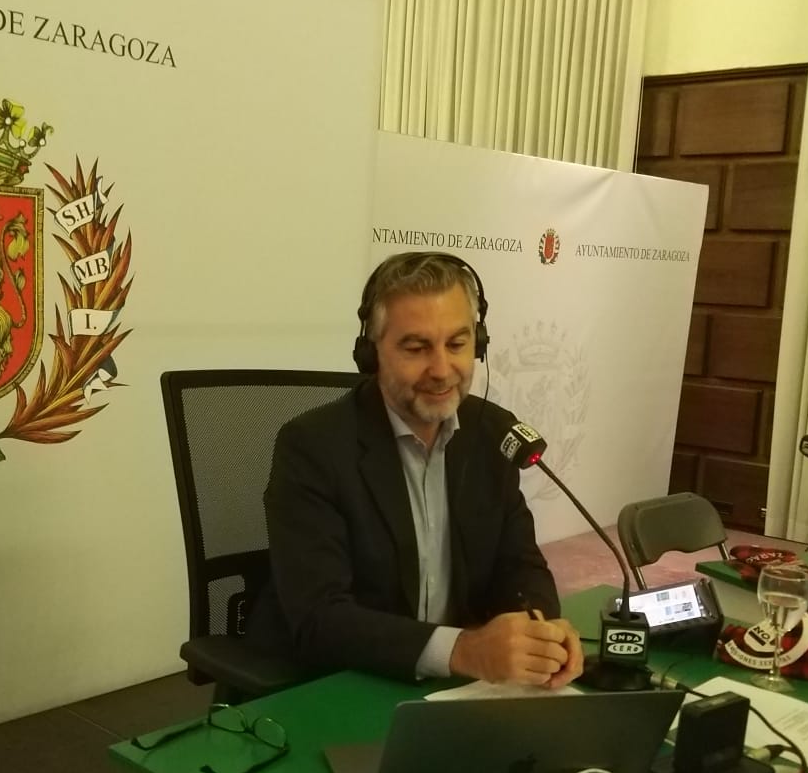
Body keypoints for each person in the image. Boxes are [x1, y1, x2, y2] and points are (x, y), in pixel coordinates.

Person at [247, 252, 584, 688]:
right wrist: (464, 650)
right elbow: (320, 617)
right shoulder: (311, 447)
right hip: (340, 681)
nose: (442, 370)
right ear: (372, 353)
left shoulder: (492, 434)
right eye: (416, 347)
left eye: (457, 344)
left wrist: (540, 630)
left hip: (453, 688)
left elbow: (519, 564)